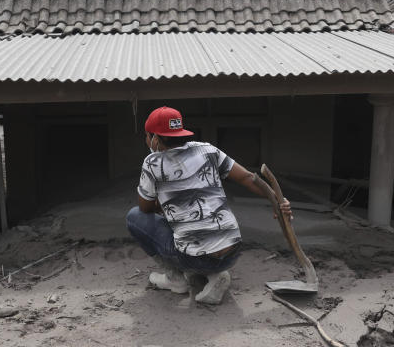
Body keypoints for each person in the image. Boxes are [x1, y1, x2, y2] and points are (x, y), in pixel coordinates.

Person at [125, 106, 292, 305]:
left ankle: (175, 279)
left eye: (147, 136)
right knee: (182, 220)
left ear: (155, 139)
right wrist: (278, 201)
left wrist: (164, 203)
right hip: (233, 251)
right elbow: (248, 177)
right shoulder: (207, 149)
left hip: (196, 259)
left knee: (135, 218)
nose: (146, 141)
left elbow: (144, 208)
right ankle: (216, 275)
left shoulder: (152, 162)